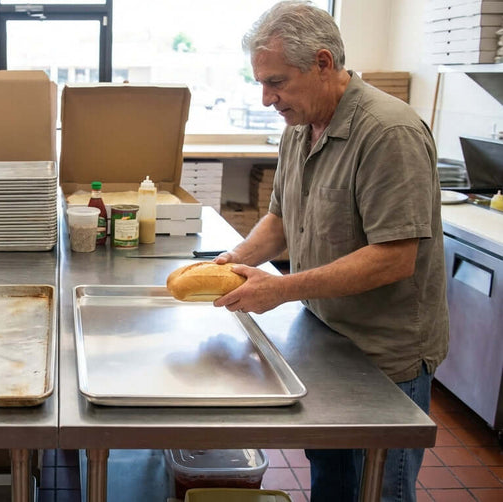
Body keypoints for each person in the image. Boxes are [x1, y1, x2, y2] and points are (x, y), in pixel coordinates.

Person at [212, 2, 448, 501]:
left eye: (276, 81)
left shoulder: (388, 133)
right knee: (333, 482)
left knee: (377, 488)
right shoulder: (299, 127)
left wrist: (282, 289)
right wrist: (237, 259)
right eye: (260, 82)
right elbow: (280, 219)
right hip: (326, 338)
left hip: (385, 357)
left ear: (323, 63)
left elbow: (394, 256)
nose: (266, 97)